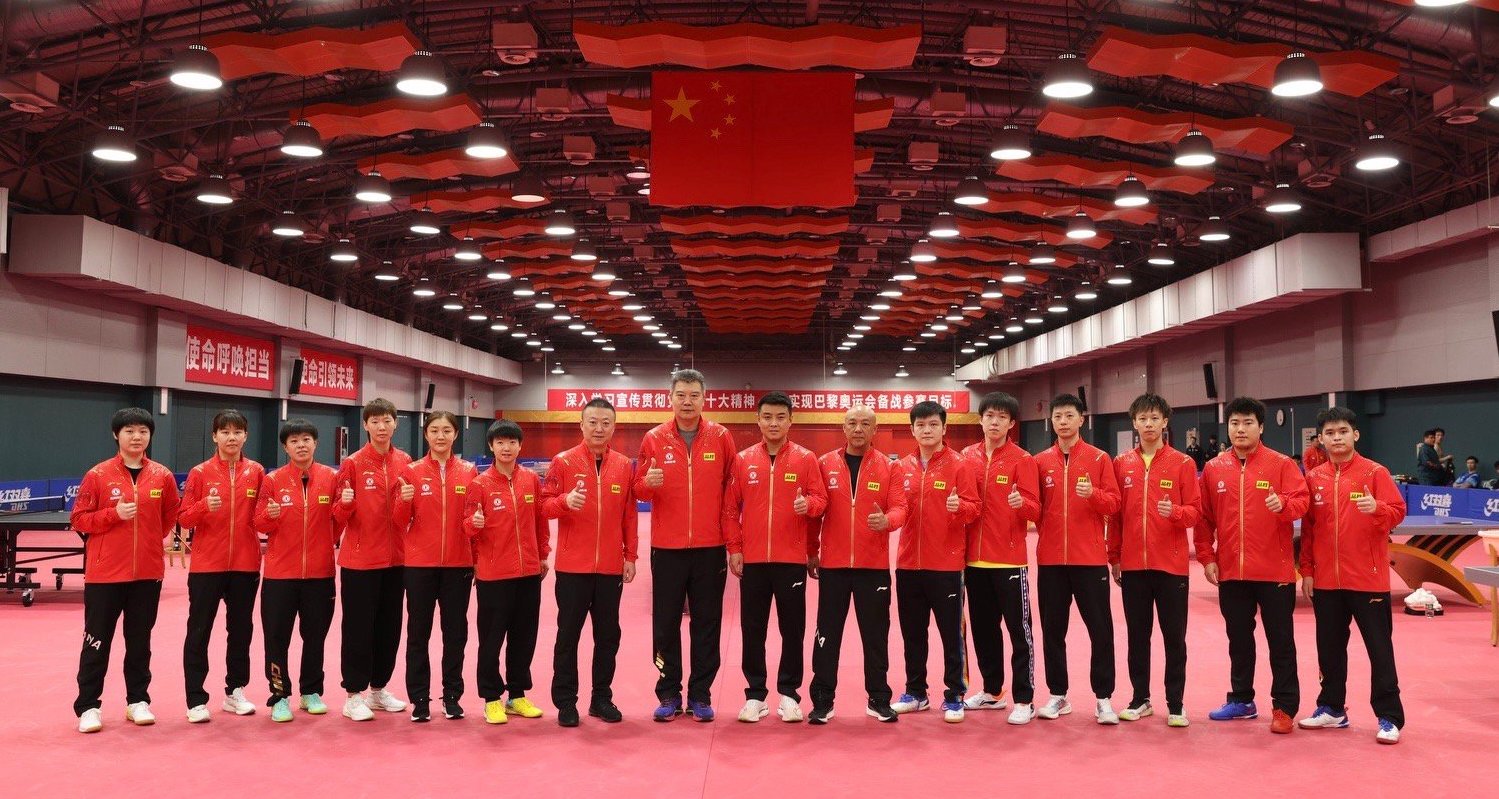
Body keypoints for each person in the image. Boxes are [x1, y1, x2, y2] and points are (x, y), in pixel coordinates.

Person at [1196, 396, 1309, 734]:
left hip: (1274, 572)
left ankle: (1284, 707)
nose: (1240, 429)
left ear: (1261, 427)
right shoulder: (1214, 468)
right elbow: (1204, 518)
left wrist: (1283, 504)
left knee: (1281, 643)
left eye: (1247, 423)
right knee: (1239, 640)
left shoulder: (1282, 464)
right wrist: (1207, 556)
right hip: (1231, 571)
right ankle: (1242, 699)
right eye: (1234, 423)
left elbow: (1302, 502)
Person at [1297, 406, 1407, 745]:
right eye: (1330, 433)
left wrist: (1378, 509)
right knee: (1329, 649)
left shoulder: (1375, 472)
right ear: (1321, 439)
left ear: (1355, 434)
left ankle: (1389, 717)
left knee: (1379, 650)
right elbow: (1309, 531)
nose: (1337, 438)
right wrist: (1307, 571)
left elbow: (1398, 511)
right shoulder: (1313, 478)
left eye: (1343, 431)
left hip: (1368, 579)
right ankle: (1332, 708)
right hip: (1327, 582)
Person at [634, 368, 738, 722]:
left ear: (704, 398)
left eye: (694, 395)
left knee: (707, 623)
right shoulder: (653, 438)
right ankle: (668, 693)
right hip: (667, 549)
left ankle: (700, 694)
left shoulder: (721, 437)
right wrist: (648, 483)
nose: (687, 402)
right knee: (665, 624)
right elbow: (639, 490)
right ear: (670, 398)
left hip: (710, 548)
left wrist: (732, 543)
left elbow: (731, 492)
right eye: (681, 395)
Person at [71, 408, 181, 733]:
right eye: (130, 431)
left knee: (139, 642)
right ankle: (88, 706)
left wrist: (148, 541)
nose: (137, 437)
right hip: (105, 575)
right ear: (116, 435)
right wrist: (113, 515)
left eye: (143, 431)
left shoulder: (162, 476)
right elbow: (79, 519)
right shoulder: (98, 475)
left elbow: (169, 517)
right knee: (96, 642)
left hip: (147, 574)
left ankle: (138, 701)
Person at [723, 392, 828, 723]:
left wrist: (808, 505)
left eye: (780, 417)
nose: (773, 423)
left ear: (790, 421)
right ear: (758, 420)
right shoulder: (743, 460)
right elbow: (730, 509)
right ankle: (755, 695)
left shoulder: (806, 459)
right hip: (753, 561)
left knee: (792, 629)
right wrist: (735, 548)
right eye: (767, 417)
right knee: (752, 629)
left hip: (791, 560)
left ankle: (789, 694)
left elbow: (821, 501)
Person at [541, 398, 639, 727]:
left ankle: (601, 698)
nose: (599, 428)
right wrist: (564, 501)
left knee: (608, 637)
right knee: (568, 636)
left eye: (605, 423)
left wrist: (630, 555)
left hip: (610, 568)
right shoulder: (563, 461)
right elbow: (544, 507)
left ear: (614, 427)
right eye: (593, 422)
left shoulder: (623, 465)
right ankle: (566, 702)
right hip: (572, 569)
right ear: (581, 425)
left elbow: (629, 515)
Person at [808, 405, 908, 724]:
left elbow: (900, 508)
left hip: (872, 566)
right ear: (843, 428)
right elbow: (816, 512)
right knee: (827, 635)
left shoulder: (889, 467)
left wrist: (887, 521)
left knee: (876, 637)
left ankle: (878, 698)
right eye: (852, 423)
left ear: (875, 429)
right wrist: (812, 550)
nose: (858, 429)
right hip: (834, 566)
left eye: (865, 424)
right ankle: (823, 700)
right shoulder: (825, 464)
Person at [1109, 394, 1202, 728]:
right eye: (1142, 419)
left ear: (1165, 422)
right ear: (1134, 423)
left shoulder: (1182, 463)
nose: (1148, 424)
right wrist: (1114, 556)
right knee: (1138, 637)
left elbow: (1195, 512)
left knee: (1174, 638)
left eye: (1154, 418)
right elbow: (1115, 516)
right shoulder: (1121, 463)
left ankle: (1175, 703)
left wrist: (1175, 512)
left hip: (1171, 567)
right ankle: (1140, 699)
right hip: (1133, 566)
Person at [1032, 393, 1122, 724]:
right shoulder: (1039, 461)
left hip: (1090, 560)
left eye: (1069, 415)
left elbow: (1114, 503)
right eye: (1058, 416)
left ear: (1081, 419)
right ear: (1051, 421)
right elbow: (1035, 509)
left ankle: (1103, 698)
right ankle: (1058, 694)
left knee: (1101, 630)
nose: (1063, 422)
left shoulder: (1099, 459)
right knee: (1052, 631)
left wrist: (1093, 495)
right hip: (1051, 561)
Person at [892, 401, 980, 722]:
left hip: (946, 566)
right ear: (912, 429)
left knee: (951, 635)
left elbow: (975, 507)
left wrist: (961, 507)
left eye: (933, 425)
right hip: (907, 565)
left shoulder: (960, 465)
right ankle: (915, 692)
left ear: (944, 428)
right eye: (920, 425)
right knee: (913, 633)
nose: (926, 430)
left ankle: (955, 694)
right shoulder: (901, 467)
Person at [177, 409, 266, 723]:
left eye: (237, 432)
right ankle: (195, 699)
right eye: (225, 432)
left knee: (240, 630)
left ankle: (235, 691)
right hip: (207, 566)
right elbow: (184, 518)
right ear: (214, 436)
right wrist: (203, 506)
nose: (231, 437)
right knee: (199, 631)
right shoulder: (200, 473)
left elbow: (262, 517)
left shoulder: (256, 471)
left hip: (245, 564)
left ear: (245, 436)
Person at [958, 391, 1040, 725]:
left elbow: (1036, 509)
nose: (994, 422)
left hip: (1009, 560)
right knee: (983, 631)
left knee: (1019, 632)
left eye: (1002, 417)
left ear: (1011, 423)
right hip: (973, 562)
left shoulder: (1023, 459)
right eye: (989, 416)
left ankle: (1025, 699)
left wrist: (1023, 505)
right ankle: (992, 692)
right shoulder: (966, 456)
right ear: (980, 420)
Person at [394, 410, 479, 722]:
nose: (440, 436)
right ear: (426, 434)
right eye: (434, 430)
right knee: (418, 634)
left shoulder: (470, 472)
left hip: (458, 564)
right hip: (420, 566)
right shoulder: (411, 471)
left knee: (455, 634)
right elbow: (399, 521)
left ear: (455, 434)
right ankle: (419, 698)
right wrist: (404, 500)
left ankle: (452, 696)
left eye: (446, 430)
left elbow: (473, 520)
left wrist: (475, 536)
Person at [253, 419, 339, 722]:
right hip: (280, 576)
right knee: (277, 638)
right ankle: (279, 695)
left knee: (315, 636)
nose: (301, 445)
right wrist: (270, 516)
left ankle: (311, 691)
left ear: (316, 443)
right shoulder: (272, 480)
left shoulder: (331, 478)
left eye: (306, 439)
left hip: (320, 574)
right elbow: (258, 522)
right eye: (294, 441)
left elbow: (340, 520)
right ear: (285, 447)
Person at [333, 397, 413, 721]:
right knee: (358, 629)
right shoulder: (352, 463)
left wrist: (407, 501)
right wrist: (346, 503)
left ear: (396, 424)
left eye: (387, 421)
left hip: (397, 560)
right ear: (365, 424)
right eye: (375, 421)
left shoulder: (405, 461)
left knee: (389, 627)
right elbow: (337, 515)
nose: (382, 427)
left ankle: (378, 690)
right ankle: (353, 695)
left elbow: (407, 515)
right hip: (360, 561)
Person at [465, 420, 549, 725]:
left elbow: (540, 521)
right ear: (491, 446)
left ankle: (516, 695)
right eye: (500, 442)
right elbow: (467, 526)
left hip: (528, 573)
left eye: (512, 442)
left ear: (520, 446)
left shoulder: (531, 480)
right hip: (493, 574)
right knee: (491, 639)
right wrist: (473, 524)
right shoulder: (479, 484)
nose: (506, 448)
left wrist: (542, 554)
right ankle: (491, 698)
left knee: (524, 636)